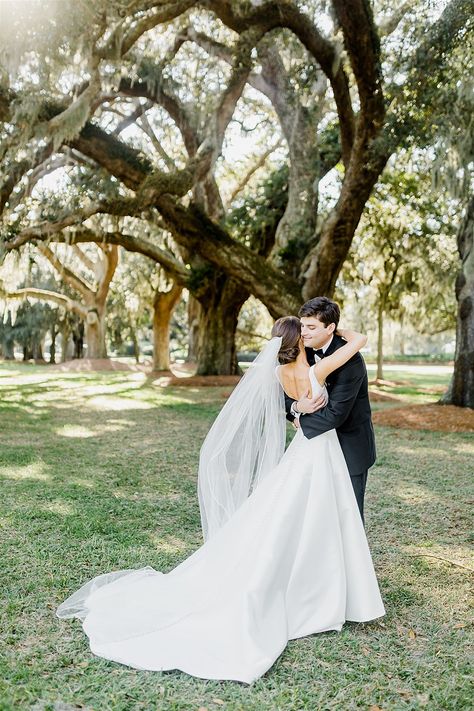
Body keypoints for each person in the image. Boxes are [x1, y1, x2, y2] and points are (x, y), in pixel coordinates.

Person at [56, 316, 385, 684]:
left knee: (288, 516)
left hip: (306, 449)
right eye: (305, 331)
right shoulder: (319, 368)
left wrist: (296, 413)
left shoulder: (279, 375)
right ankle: (318, 587)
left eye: (313, 329)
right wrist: (338, 332)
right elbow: (358, 342)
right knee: (310, 515)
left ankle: (314, 579)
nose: (310, 335)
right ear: (300, 343)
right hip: (318, 450)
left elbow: (291, 411)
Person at [285, 297, 376, 522]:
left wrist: (300, 422)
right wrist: (297, 406)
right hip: (314, 446)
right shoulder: (300, 350)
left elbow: (337, 413)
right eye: (302, 325)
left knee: (349, 513)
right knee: (313, 511)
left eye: (311, 327)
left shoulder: (351, 359)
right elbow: (281, 396)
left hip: (349, 445)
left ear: (330, 328)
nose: (303, 332)